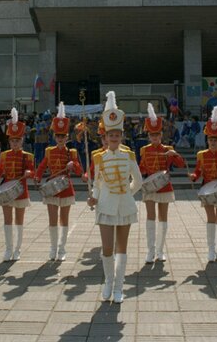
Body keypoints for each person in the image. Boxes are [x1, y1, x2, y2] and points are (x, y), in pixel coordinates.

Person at [87, 91, 142, 303]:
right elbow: (97, 184)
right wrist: (94, 197)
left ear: (121, 136)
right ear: (105, 137)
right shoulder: (99, 158)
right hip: (105, 207)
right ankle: (109, 282)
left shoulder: (129, 155)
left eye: (117, 135)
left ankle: (119, 286)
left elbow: (138, 181)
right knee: (107, 249)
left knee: (122, 249)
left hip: (125, 206)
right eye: (111, 135)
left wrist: (127, 193)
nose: (114, 138)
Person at [35, 103, 83, 261]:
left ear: (67, 137)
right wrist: (37, 176)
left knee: (64, 219)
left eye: (63, 136)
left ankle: (62, 248)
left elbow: (79, 171)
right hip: (51, 188)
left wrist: (73, 164)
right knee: (52, 219)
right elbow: (42, 166)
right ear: (54, 137)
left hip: (66, 188)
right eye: (58, 136)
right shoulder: (49, 151)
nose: (60, 139)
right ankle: (53, 248)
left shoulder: (72, 152)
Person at [138, 103, 185, 263]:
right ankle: (150, 251)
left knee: (163, 218)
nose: (155, 137)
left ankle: (160, 250)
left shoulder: (167, 148)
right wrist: (137, 172)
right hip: (150, 187)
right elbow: (142, 167)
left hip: (164, 186)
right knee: (150, 217)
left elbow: (180, 165)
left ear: (161, 135)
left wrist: (175, 154)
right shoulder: (145, 150)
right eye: (152, 135)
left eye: (157, 134)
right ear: (149, 135)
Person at [190, 106, 217, 263]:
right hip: (207, 190)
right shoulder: (201, 155)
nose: (213, 142)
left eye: (216, 140)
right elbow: (198, 172)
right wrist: (194, 176)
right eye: (211, 139)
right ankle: (210, 249)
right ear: (207, 140)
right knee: (210, 218)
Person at [0, 108, 35, 261]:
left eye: (17, 140)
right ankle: (8, 249)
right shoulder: (4, 155)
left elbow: (33, 172)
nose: (15, 143)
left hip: (21, 191)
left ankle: (17, 249)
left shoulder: (28, 156)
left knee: (19, 220)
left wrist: (29, 173)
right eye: (12, 140)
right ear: (9, 141)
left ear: (22, 140)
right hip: (6, 190)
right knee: (7, 220)